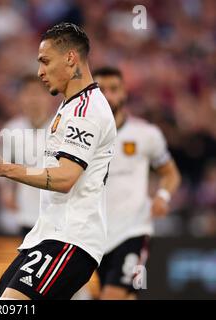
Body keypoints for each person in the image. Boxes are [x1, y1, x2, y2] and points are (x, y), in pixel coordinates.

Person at [0, 22, 117, 300]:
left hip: (70, 239)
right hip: (48, 235)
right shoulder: (71, 106)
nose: (40, 72)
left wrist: (6, 170)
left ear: (70, 58)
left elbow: (65, 178)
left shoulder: (86, 111)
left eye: (45, 61)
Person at [93, 66, 181, 299]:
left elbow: (171, 173)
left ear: (124, 93)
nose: (108, 95)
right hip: (95, 235)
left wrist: (162, 197)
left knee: (111, 296)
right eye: (101, 90)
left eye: (114, 89)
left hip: (133, 229)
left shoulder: (146, 134)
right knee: (127, 296)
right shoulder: (83, 136)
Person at [0, 74, 53, 237]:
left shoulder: (62, 129)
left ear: (49, 97)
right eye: (28, 93)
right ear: (20, 98)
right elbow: (6, 167)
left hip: (56, 215)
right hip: (26, 214)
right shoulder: (11, 130)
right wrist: (7, 192)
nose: (33, 99)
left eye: (38, 93)